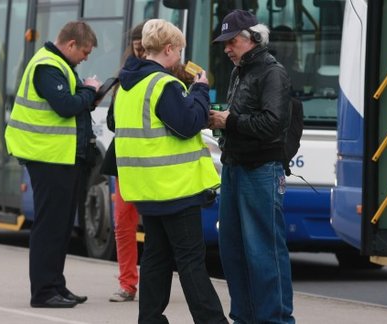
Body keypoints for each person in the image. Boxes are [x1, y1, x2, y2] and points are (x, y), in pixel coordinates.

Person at [114, 19, 228, 324]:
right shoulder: (163, 85)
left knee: (156, 257)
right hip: (175, 188)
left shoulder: (127, 86)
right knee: (191, 261)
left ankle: (149, 319)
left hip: (146, 189)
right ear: (168, 49)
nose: (180, 58)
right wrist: (200, 90)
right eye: (178, 52)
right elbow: (187, 124)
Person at [4, 21, 101, 309]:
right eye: (84, 52)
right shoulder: (47, 66)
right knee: (49, 227)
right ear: (71, 44)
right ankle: (44, 292)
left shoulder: (60, 66)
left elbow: (70, 104)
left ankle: (56, 285)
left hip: (61, 157)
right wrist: (90, 91)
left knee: (60, 227)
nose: (85, 58)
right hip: (47, 157)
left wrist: (85, 94)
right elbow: (66, 105)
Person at [210, 9, 295, 323]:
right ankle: (244, 318)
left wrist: (229, 120)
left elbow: (273, 124)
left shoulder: (273, 73)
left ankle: (276, 320)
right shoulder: (240, 71)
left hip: (261, 169)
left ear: (255, 38)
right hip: (235, 167)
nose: (227, 49)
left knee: (264, 251)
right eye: (225, 42)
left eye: (232, 41)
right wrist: (222, 121)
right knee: (233, 251)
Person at [100, 22, 146, 303]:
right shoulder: (124, 77)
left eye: (144, 46)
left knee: (153, 225)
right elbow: (112, 121)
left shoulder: (170, 73)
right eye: (137, 46)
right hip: (126, 159)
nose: (140, 51)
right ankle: (128, 283)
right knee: (123, 223)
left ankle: (150, 280)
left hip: (153, 160)